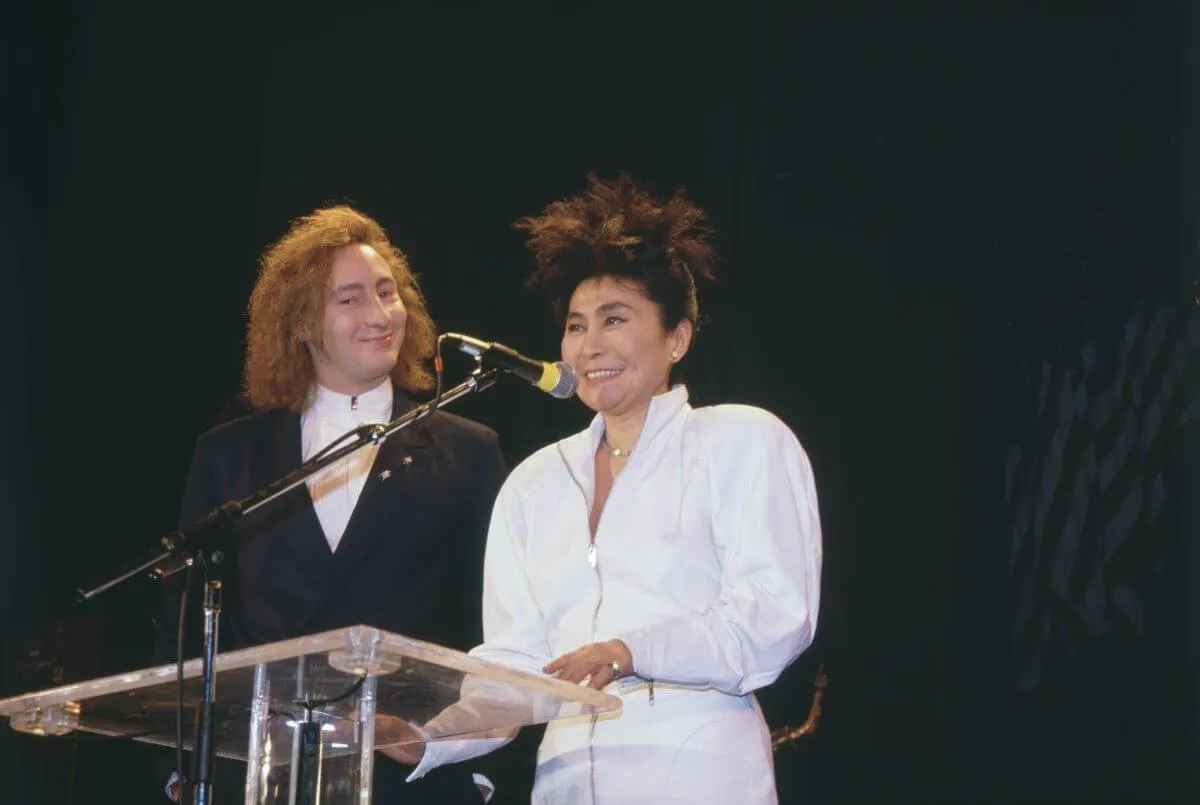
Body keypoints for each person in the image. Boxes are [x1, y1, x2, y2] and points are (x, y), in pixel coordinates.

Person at [401, 173, 823, 804]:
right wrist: (426, 739)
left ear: (677, 336)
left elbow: (771, 616)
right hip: (565, 780)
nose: (589, 344)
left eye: (614, 319)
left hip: (696, 771)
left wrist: (632, 649)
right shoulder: (534, 483)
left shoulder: (740, 442)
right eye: (575, 326)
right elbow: (514, 670)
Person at [153, 205, 507, 804]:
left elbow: (491, 631)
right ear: (299, 323)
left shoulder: (468, 452)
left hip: (410, 779)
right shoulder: (229, 455)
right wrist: (180, 771)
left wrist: (473, 768)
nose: (379, 315)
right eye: (349, 299)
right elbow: (184, 634)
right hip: (259, 777)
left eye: (387, 292)